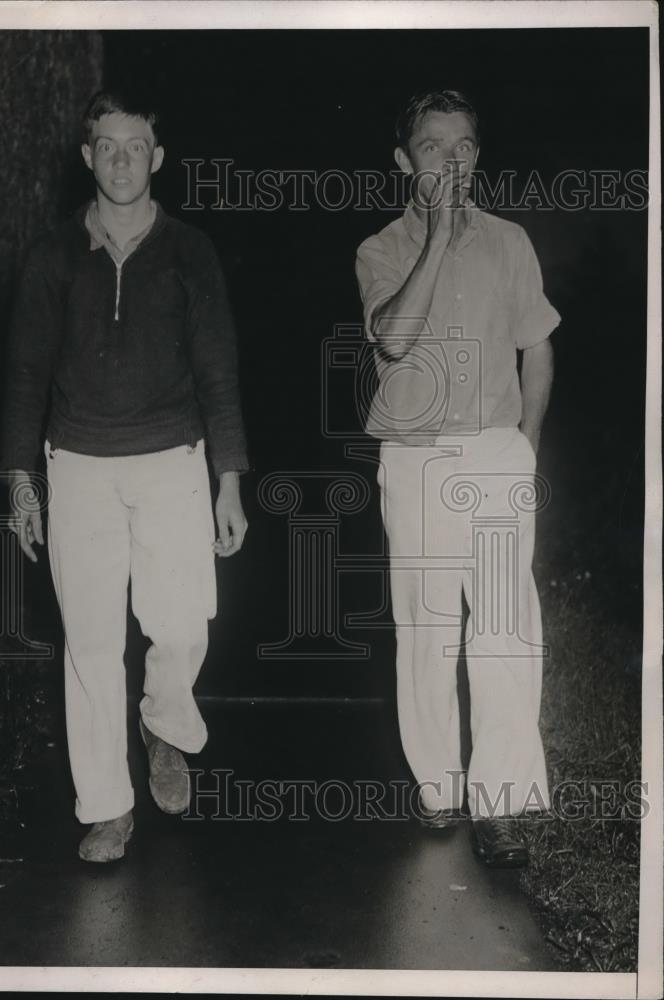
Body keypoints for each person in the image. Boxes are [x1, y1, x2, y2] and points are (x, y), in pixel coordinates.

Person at [2, 90, 249, 863]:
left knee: (180, 624)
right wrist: (20, 481)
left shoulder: (190, 252)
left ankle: (164, 723)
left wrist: (229, 478)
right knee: (91, 642)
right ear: (86, 156)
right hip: (76, 464)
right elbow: (23, 375)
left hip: (172, 457)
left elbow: (219, 372)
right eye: (106, 145)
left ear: (157, 157)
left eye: (134, 146)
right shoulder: (51, 255)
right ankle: (107, 805)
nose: (119, 159)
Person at [355, 90, 559, 867]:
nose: (452, 159)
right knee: (428, 628)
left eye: (465, 145)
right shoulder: (379, 248)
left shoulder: (512, 242)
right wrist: (438, 236)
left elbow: (537, 345)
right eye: (433, 146)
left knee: (505, 625)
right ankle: (438, 785)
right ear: (405, 162)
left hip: (498, 450)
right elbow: (397, 339)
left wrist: (524, 447)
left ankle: (504, 797)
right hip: (417, 455)